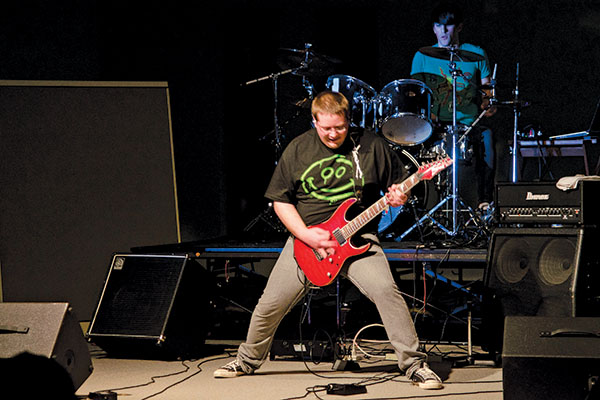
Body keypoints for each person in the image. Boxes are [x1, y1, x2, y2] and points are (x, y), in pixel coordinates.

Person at [213, 91, 443, 390]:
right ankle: (246, 360)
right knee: (270, 304)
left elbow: (397, 189)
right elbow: (280, 202)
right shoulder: (298, 150)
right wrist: (305, 234)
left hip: (358, 239)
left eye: (340, 127)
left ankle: (414, 365)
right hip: (307, 241)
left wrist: (401, 195)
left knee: (387, 291)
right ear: (314, 121)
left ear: (349, 120)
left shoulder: (372, 145)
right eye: (326, 128)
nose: (333, 134)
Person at [411, 1, 496, 210]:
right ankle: (422, 206)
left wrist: (488, 103)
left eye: (448, 26)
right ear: (433, 28)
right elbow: (414, 93)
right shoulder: (422, 56)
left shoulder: (476, 54)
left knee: (487, 139)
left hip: (468, 123)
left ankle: (484, 202)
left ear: (459, 27)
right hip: (436, 124)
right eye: (438, 26)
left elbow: (487, 90)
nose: (443, 31)